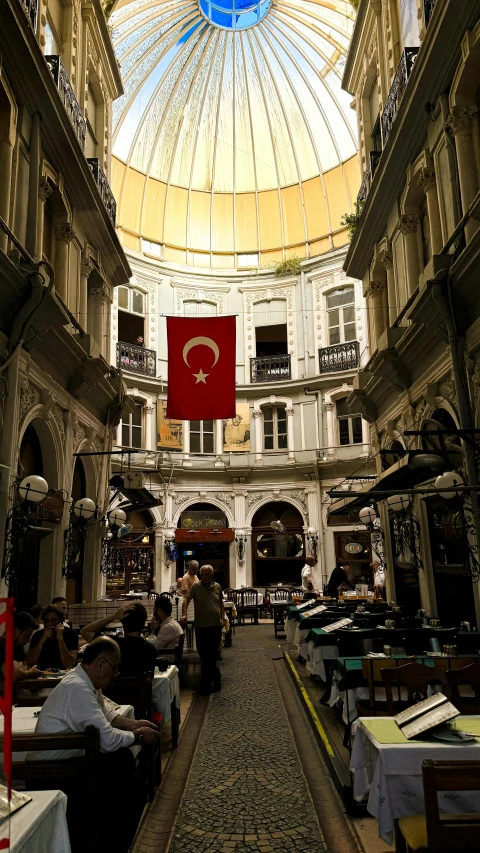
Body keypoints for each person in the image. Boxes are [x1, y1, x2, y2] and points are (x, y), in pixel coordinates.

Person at [33, 636, 160, 853]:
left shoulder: (86, 681)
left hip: (73, 762)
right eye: (115, 667)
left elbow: (105, 715)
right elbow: (107, 740)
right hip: (52, 774)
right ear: (100, 664)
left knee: (122, 761)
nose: (116, 673)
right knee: (135, 791)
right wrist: (138, 736)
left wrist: (133, 723)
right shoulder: (78, 687)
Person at [181, 564, 224, 695]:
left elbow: (221, 603)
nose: (204, 577)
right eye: (202, 574)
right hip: (201, 626)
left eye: (207, 574)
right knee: (204, 655)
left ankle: (205, 686)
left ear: (212, 575)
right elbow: (186, 599)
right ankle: (216, 677)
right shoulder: (195, 587)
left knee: (211, 655)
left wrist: (222, 618)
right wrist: (184, 614)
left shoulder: (217, 587)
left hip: (215, 626)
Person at [81, 602, 157, 676]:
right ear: (143, 624)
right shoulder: (151, 650)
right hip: (142, 689)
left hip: (113, 689)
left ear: (122, 624)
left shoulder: (111, 645)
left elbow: (85, 631)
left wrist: (114, 616)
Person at [26, 605, 78, 670]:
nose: (50, 624)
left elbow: (69, 665)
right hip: (42, 675)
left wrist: (60, 639)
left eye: (54, 620)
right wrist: (42, 640)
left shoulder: (71, 634)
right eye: (47, 620)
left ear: (60, 621)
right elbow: (29, 662)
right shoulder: (38, 635)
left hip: (65, 675)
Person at [0, 611, 41, 685]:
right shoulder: (2, 645)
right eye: (27, 636)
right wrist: (28, 673)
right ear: (16, 631)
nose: (28, 641)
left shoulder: (16, 647)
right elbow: (12, 671)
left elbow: (24, 665)